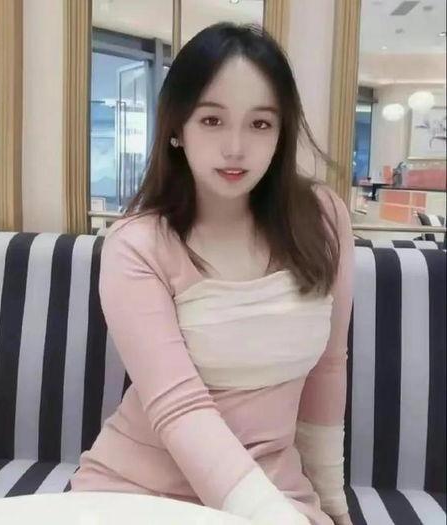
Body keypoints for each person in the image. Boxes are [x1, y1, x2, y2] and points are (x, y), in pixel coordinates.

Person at [70, 22, 354, 525]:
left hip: (275, 490)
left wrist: (331, 500)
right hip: (136, 493)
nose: (235, 147)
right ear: (176, 128)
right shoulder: (137, 245)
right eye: (212, 120)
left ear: (282, 132)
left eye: (260, 123)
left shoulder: (324, 219)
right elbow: (179, 408)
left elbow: (328, 367)